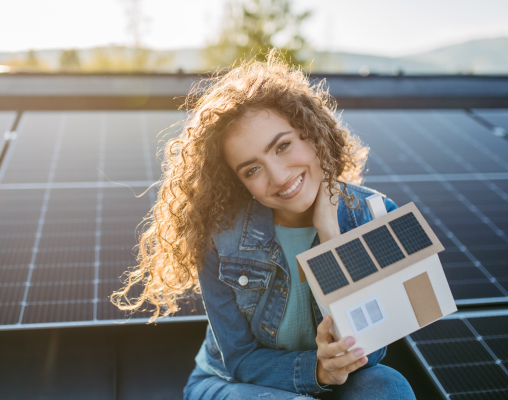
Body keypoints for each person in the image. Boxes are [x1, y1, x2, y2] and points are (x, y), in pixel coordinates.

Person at [113, 50, 416, 399]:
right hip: (234, 384)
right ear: (237, 182)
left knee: (388, 386)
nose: (279, 176)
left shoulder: (376, 215)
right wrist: (317, 369)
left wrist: (331, 234)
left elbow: (372, 351)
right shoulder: (218, 239)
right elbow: (240, 359)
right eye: (252, 169)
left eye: (283, 146)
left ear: (312, 134)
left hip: (338, 379)